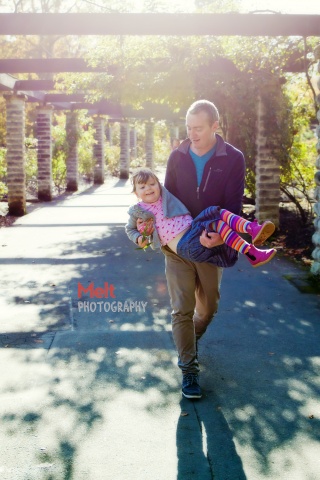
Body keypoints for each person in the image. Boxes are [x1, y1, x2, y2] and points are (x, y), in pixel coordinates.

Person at [159, 99, 248, 399]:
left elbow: (233, 205)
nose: (192, 134)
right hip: (179, 243)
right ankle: (189, 370)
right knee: (181, 309)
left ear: (215, 125)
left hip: (212, 243)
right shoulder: (177, 156)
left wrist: (221, 236)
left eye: (198, 128)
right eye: (188, 128)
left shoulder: (233, 158)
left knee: (208, 308)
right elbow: (166, 200)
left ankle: (188, 342)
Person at [125, 168, 276, 269]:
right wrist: (140, 238)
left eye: (152, 184)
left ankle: (252, 240)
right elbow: (129, 229)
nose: (149, 188)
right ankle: (251, 241)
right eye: (142, 187)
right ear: (136, 193)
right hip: (186, 245)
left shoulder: (165, 195)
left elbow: (179, 176)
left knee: (215, 215)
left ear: (159, 185)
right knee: (214, 217)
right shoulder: (138, 211)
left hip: (193, 230)